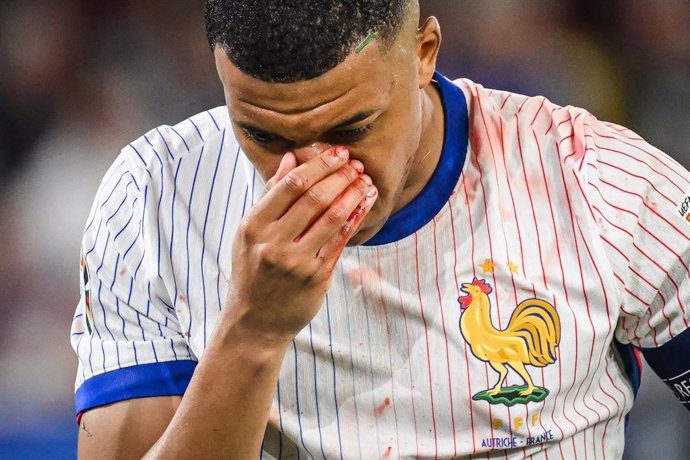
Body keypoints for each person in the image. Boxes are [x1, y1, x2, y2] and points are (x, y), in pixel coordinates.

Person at [71, 1, 690, 458]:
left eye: (352, 129)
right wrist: (253, 332)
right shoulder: (155, 194)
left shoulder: (599, 181)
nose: (315, 169)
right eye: (264, 136)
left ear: (424, 54)